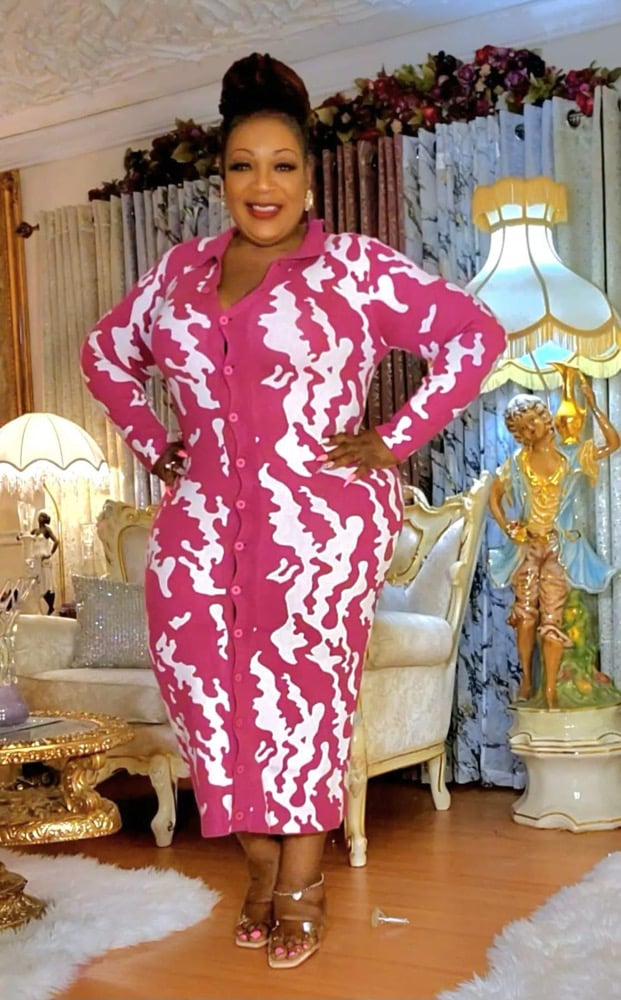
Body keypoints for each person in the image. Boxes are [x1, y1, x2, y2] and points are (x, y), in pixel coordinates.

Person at [80, 52, 506, 969]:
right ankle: (262, 865)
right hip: (196, 531)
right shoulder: (179, 275)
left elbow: (471, 335)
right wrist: (154, 442)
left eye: (281, 164)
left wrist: (392, 438)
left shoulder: (353, 269)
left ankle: (300, 884)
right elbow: (104, 354)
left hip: (318, 527)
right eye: (243, 165)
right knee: (206, 701)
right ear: (222, 177)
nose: (261, 184)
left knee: (304, 704)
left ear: (309, 179)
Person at [489, 385, 619, 709]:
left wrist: (594, 406)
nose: (530, 429)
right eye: (522, 428)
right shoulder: (517, 462)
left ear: (546, 417)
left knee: (551, 620)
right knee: (524, 615)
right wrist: (508, 526)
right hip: (527, 548)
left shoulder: (572, 455)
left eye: (533, 420)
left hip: (560, 548)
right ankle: (527, 680)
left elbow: (613, 443)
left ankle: (550, 692)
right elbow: (494, 496)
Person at [30, 511, 59, 615]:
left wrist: (50, 554)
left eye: (42, 516)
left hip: (44, 560)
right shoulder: (35, 531)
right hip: (36, 560)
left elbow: (56, 541)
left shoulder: (47, 530)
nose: (40, 517)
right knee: (39, 583)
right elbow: (26, 535)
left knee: (47, 583)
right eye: (40, 515)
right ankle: (42, 608)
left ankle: (51, 606)